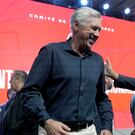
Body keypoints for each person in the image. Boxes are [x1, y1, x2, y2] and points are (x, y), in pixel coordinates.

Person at [19, 7, 113, 135]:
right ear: (76, 26)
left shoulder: (97, 60)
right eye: (93, 28)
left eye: (99, 30)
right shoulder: (51, 52)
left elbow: (101, 98)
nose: (97, 34)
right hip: (53, 130)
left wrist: (107, 126)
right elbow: (29, 91)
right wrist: (46, 120)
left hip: (88, 131)